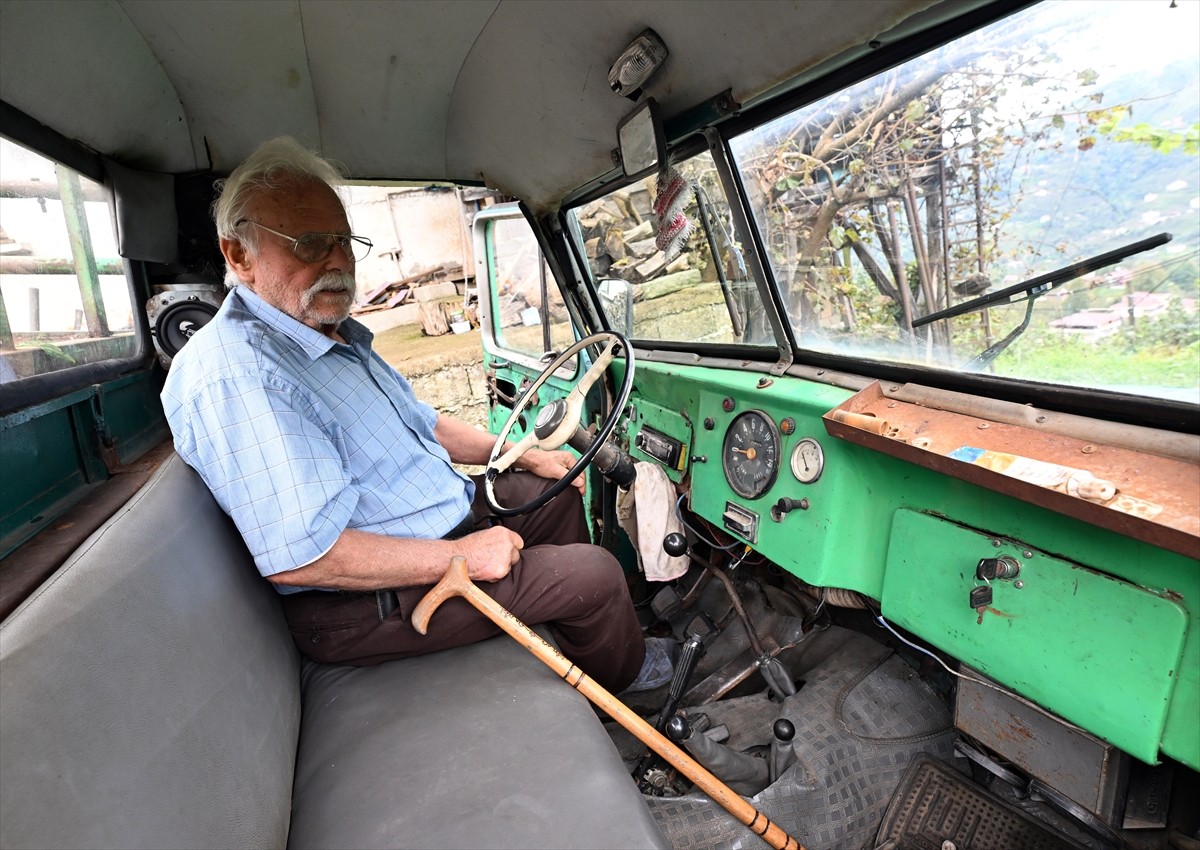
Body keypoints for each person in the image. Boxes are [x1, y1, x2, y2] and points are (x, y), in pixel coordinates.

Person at [161, 137, 675, 694]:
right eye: (309, 244)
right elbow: (304, 557)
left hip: (436, 523)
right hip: (362, 604)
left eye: (342, 241)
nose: (335, 260)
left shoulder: (325, 336)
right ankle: (629, 684)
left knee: (548, 496)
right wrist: (460, 555)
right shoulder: (238, 374)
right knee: (594, 576)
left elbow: (422, 424)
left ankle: (583, 644)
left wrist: (519, 451)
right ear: (239, 255)